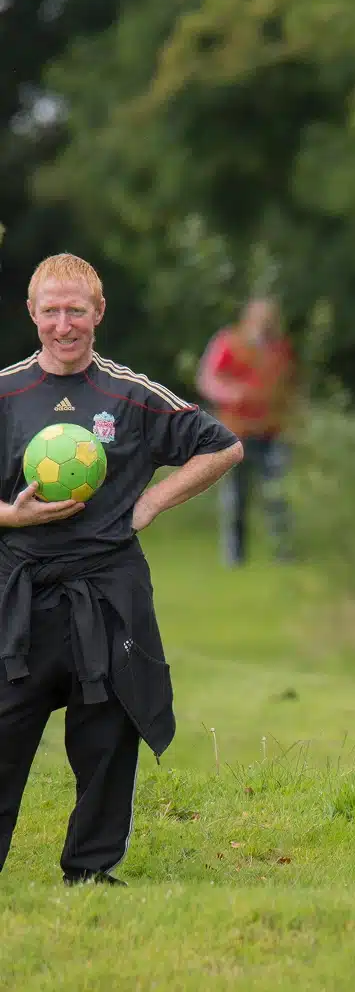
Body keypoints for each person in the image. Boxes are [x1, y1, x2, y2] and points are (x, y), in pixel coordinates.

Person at [0, 253, 243, 885]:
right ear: (31, 313)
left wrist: (152, 503)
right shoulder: (5, 392)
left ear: (98, 313)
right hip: (20, 590)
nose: (63, 324)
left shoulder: (129, 394)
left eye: (75, 310)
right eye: (50, 311)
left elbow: (224, 445)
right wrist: (13, 518)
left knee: (107, 733)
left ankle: (90, 869)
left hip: (109, 590)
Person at [196, 298, 296, 567]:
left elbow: (290, 385)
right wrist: (232, 393)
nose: (266, 324)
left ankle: (283, 552)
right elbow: (207, 379)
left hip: (272, 431)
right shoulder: (229, 343)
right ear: (249, 318)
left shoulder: (281, 348)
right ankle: (234, 557)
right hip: (235, 433)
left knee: (278, 493)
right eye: (261, 318)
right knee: (236, 497)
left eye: (270, 319)